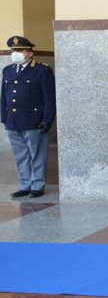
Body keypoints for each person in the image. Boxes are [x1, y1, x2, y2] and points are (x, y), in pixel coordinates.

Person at [1, 36, 55, 198]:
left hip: (34, 120)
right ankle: (25, 185)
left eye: (20, 50)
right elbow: (4, 96)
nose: (16, 53)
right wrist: (4, 117)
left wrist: (48, 119)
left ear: (29, 53)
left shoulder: (42, 70)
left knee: (37, 155)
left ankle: (37, 185)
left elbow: (49, 98)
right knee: (21, 155)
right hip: (13, 121)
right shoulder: (8, 70)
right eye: (14, 50)